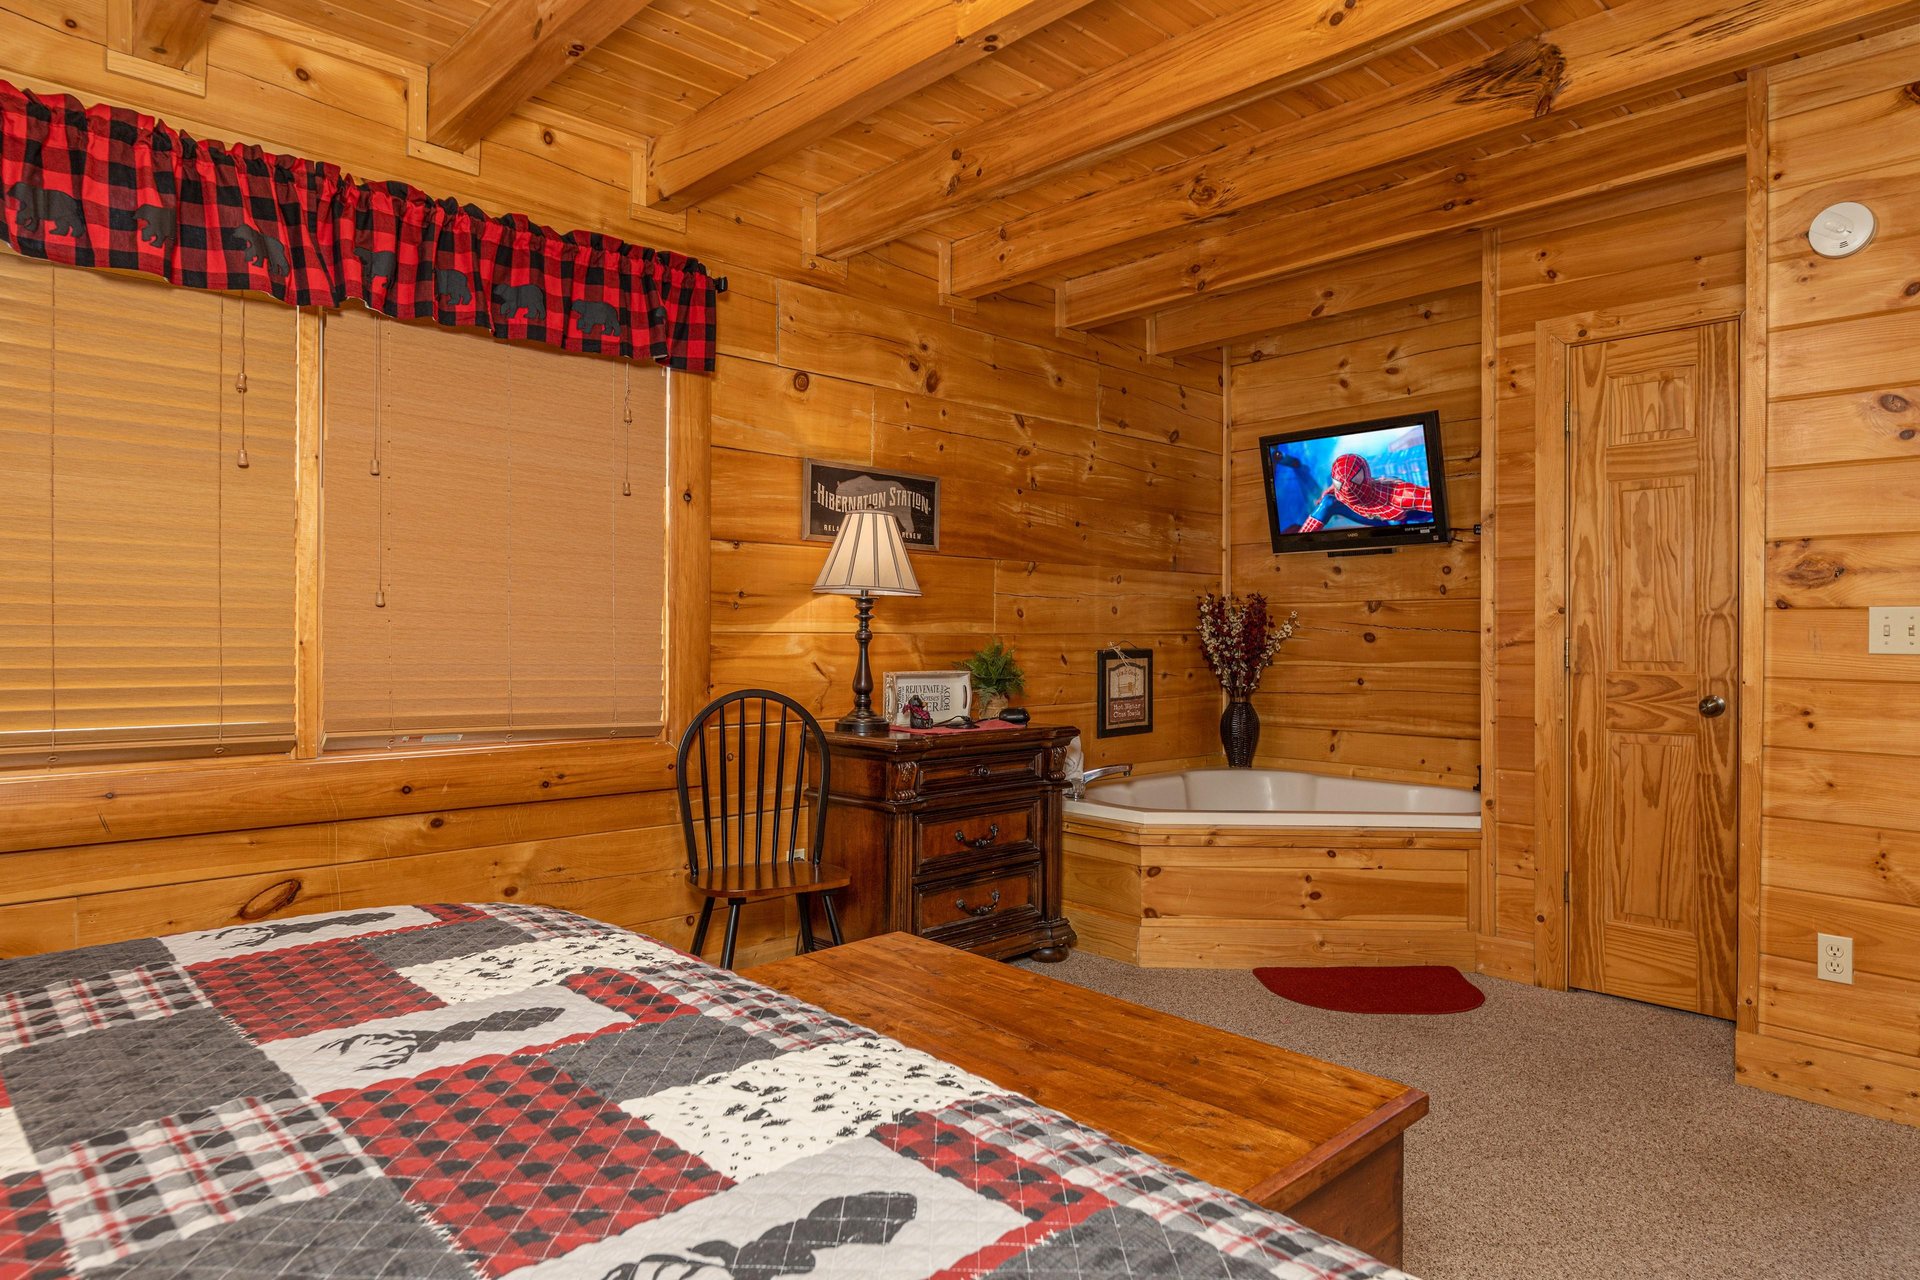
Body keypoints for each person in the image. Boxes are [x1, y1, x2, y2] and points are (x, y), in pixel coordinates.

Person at [1299, 453, 1432, 532]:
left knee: (1395, 524)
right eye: (1340, 484)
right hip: (1376, 515)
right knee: (1328, 502)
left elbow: (1431, 498)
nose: (1346, 489)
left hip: (1401, 516)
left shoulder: (1399, 495)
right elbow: (1345, 482)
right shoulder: (1341, 489)